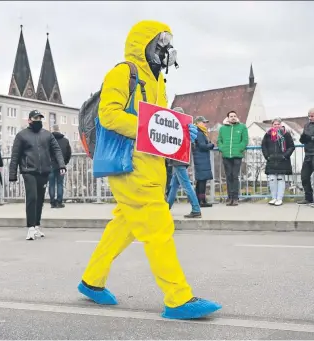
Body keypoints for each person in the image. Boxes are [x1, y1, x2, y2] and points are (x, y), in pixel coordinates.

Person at [77, 20, 221, 320]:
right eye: (163, 41)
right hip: (130, 166)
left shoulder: (158, 81)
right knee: (159, 228)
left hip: (149, 166)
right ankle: (178, 298)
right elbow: (109, 115)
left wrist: (183, 131)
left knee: (123, 226)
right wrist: (149, 129)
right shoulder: (122, 72)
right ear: (147, 44)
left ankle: (92, 281)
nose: (167, 48)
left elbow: (161, 122)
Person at [9, 110, 66, 240]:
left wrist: (61, 165)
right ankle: (30, 228)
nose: (38, 120)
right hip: (28, 171)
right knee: (32, 197)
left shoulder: (47, 135)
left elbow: (56, 149)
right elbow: (15, 155)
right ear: (29, 120)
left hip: (44, 171)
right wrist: (13, 174)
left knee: (40, 199)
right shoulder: (21, 135)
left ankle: (36, 226)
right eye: (35, 118)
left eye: (40, 118)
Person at [166, 107, 201, 218]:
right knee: (174, 185)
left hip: (178, 160)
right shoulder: (186, 127)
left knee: (186, 185)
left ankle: (196, 209)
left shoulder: (176, 127)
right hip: (182, 160)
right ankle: (167, 207)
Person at [261, 118, 295, 206]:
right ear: (272, 125)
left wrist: (285, 155)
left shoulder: (286, 134)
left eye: (278, 124)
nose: (276, 126)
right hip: (271, 159)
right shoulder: (268, 134)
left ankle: (279, 198)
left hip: (282, 159)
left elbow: (291, 146)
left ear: (281, 124)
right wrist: (267, 156)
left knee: (280, 178)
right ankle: (273, 198)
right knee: (272, 179)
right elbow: (264, 146)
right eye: (274, 124)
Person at [217, 110, 249, 206]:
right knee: (228, 176)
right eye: (231, 116)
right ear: (228, 118)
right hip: (226, 156)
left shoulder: (242, 127)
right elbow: (219, 140)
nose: (233, 117)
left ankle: (235, 198)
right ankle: (229, 197)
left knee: (235, 176)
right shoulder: (222, 128)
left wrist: (240, 148)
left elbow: (245, 140)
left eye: (235, 116)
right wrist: (222, 148)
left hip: (237, 156)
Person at [192, 116, 215, 207]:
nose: (205, 124)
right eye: (203, 122)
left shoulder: (199, 132)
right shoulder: (199, 133)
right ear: (198, 123)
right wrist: (211, 145)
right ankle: (202, 201)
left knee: (200, 180)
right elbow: (202, 146)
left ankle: (199, 200)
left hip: (200, 158)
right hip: (201, 158)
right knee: (202, 181)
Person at [49, 124, 72, 208]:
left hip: (50, 165)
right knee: (60, 184)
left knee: (51, 184)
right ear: (59, 130)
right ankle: (59, 202)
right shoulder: (65, 140)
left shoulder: (48, 140)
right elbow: (68, 153)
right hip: (61, 166)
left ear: (52, 130)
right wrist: (65, 162)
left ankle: (52, 203)